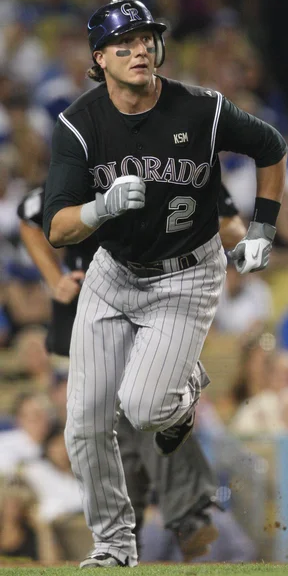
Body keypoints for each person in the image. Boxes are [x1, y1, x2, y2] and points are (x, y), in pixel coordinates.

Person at [41, 0, 287, 568]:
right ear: (99, 58)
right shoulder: (79, 123)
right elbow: (56, 226)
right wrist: (99, 208)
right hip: (112, 273)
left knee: (146, 409)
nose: (139, 50)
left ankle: (178, 395)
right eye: (122, 44)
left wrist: (264, 229)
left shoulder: (200, 108)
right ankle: (114, 546)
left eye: (146, 39)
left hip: (186, 274)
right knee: (84, 423)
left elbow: (271, 148)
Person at [18, 180, 247, 563]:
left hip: (146, 316)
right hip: (86, 324)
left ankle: (173, 517)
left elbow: (234, 228)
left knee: (143, 414)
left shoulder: (182, 166)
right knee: (111, 430)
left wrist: (179, 225)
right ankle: (143, 528)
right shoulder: (85, 169)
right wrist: (53, 275)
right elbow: (28, 214)